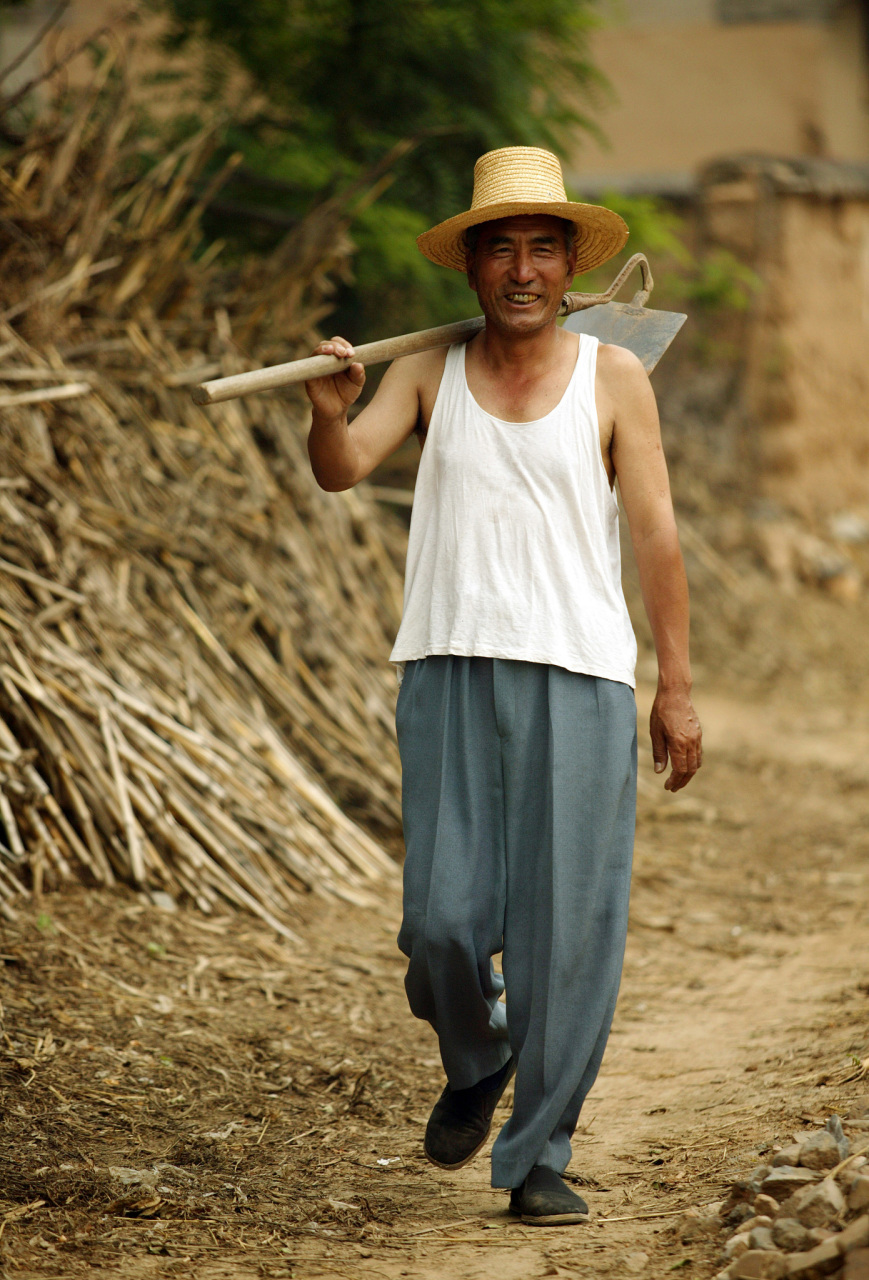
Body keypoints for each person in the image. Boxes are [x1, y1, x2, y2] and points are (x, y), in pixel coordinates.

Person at [303, 146, 702, 1226]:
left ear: (568, 263)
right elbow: (342, 467)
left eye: (539, 247)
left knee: (564, 932)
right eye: (498, 248)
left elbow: (657, 531)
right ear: (469, 266)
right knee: (439, 920)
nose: (519, 268)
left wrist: (673, 683)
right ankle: (473, 1057)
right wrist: (332, 408)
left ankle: (538, 1153)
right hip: (445, 663)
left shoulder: (614, 376)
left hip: (576, 675)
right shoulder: (429, 370)